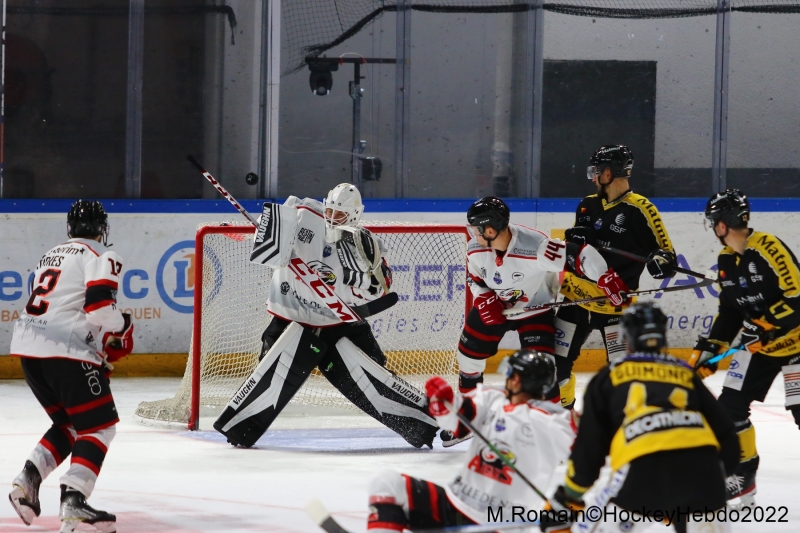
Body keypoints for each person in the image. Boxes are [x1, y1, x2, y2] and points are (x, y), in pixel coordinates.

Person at [214, 183, 439, 449]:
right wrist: (256, 233)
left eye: (340, 215)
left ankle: (424, 426)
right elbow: (264, 233)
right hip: (290, 319)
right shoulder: (303, 214)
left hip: (339, 324)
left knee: (378, 373)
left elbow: (382, 289)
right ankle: (240, 428)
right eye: (330, 211)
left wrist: (372, 275)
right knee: (267, 374)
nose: (333, 218)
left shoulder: (364, 242)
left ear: (355, 215)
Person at [541, 302, 739, 533]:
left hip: (643, 471)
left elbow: (589, 451)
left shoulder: (608, 378)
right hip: (705, 475)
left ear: (626, 338)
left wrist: (568, 498)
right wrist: (695, 484)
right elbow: (727, 435)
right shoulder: (685, 374)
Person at [8, 200, 134, 533]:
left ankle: (26, 482)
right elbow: (98, 309)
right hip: (65, 350)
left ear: (70, 228)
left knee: (70, 423)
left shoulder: (50, 255)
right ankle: (74, 501)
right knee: (100, 427)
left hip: (27, 349)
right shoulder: (103, 256)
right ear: (102, 229)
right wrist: (122, 325)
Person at [366, 351, 576, 531]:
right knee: (388, 482)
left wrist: (570, 501)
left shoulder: (552, 423)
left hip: (498, 526)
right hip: (454, 506)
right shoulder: (492, 399)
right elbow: (456, 422)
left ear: (517, 380)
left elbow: (590, 453)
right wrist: (442, 405)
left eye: (510, 372)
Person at [455, 197, 626, 407]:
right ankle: (467, 414)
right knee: (467, 357)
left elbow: (578, 254)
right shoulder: (475, 249)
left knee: (543, 371)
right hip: (496, 308)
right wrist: (483, 297)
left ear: (490, 230)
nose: (473, 234)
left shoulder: (535, 247)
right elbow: (475, 278)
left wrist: (603, 275)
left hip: (534, 311)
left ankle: (552, 423)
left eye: (476, 229)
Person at [689, 188, 800, 507]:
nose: (713, 229)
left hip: (795, 345)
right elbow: (730, 313)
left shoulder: (768, 248)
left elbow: (796, 299)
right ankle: (744, 476)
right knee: (730, 409)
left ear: (723, 224)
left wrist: (768, 325)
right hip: (758, 349)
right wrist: (711, 349)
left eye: (714, 222)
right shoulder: (725, 260)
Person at [555, 145, 677, 410]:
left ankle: (620, 426)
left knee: (622, 374)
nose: (592, 177)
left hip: (615, 305)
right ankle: (563, 417)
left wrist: (661, 262)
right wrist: (575, 239)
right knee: (556, 368)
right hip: (575, 298)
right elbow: (575, 249)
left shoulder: (641, 208)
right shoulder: (587, 205)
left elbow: (667, 255)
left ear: (609, 173)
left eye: (595, 172)